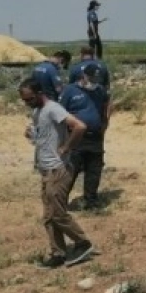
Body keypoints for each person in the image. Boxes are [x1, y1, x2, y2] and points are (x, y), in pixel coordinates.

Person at [18, 78, 95, 269]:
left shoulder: (53, 108)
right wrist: (32, 135)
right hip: (45, 169)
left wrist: (67, 147)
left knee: (58, 213)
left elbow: (79, 126)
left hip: (58, 169)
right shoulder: (37, 112)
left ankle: (82, 243)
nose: (27, 103)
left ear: (39, 94)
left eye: (29, 99)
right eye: (25, 101)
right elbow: (43, 137)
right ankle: (57, 253)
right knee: (48, 216)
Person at [60, 65, 112, 210]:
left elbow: (107, 103)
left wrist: (105, 121)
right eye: (92, 78)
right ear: (84, 76)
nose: (94, 82)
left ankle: (91, 202)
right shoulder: (70, 90)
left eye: (97, 79)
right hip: (76, 136)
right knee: (71, 169)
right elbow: (60, 112)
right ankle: (61, 202)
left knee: (94, 170)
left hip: (95, 137)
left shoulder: (100, 90)